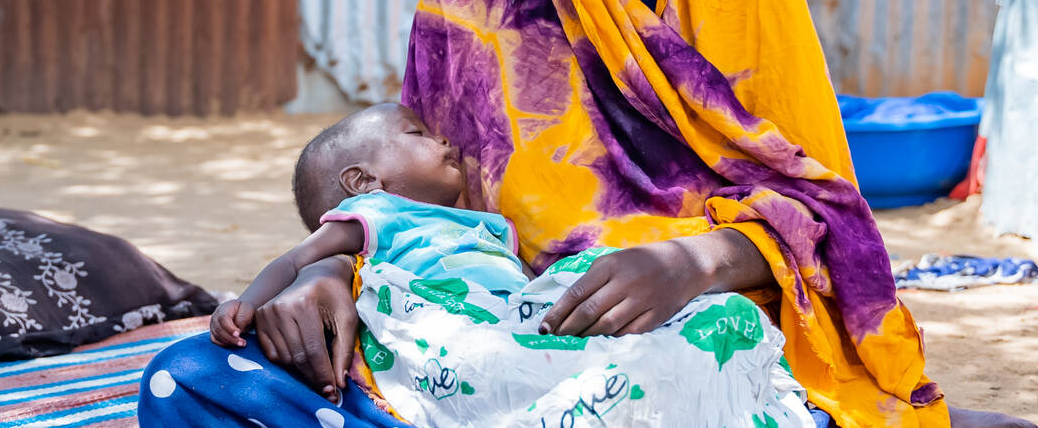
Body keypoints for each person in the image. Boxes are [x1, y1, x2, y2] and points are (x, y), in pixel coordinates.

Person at [140, 0, 1035, 425]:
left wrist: (693, 263)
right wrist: (332, 279)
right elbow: (419, 195)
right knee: (186, 380)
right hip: (486, 318)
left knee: (662, 381)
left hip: (681, 325)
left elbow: (822, 210)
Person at [208, 103, 814, 426]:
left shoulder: (477, 222)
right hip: (450, 329)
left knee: (702, 318)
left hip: (511, 317)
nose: (447, 142)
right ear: (363, 181)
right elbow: (298, 258)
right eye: (418, 133)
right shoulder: (377, 213)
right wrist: (248, 303)